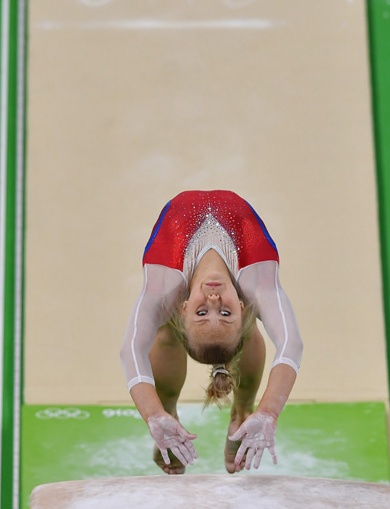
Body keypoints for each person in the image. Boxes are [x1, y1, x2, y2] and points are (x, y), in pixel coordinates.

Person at [120, 190, 303, 474]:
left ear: (184, 309)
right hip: (244, 293)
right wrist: (268, 412)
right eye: (226, 313)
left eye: (201, 313)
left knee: (167, 332)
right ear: (239, 307)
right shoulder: (256, 281)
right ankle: (244, 415)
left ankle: (215, 414)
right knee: (249, 322)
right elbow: (292, 344)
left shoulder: (164, 288)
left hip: (179, 297)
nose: (214, 301)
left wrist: (154, 415)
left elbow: (131, 350)